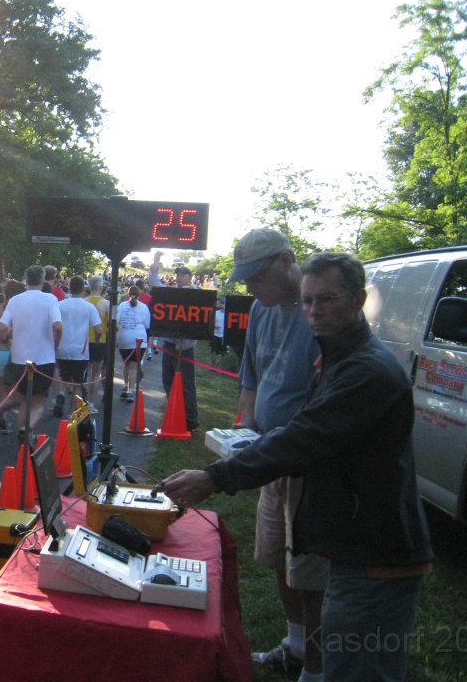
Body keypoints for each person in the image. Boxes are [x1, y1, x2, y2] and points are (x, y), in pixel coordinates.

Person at [162, 252, 433, 682]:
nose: (313, 311)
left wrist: (216, 477)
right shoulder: (339, 357)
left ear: (358, 298)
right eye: (307, 300)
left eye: (326, 299)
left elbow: (305, 437)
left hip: (377, 558)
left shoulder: (367, 370)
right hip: (352, 549)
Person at [227, 228, 327, 680]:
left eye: (258, 277)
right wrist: (242, 435)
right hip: (270, 454)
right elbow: (251, 378)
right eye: (245, 280)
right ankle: (294, 644)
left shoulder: (320, 313)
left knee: (311, 574)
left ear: (288, 261)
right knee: (278, 559)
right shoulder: (260, 309)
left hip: (311, 462)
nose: (250, 288)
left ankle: (317, 668)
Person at [0, 264, 62, 435]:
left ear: (26, 280)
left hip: (19, 357)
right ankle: (26, 430)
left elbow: (1, 327)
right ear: (42, 280)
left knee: (25, 400)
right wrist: (56, 344)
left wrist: (6, 339)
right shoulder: (50, 299)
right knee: (38, 403)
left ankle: (22, 436)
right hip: (43, 358)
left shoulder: (15, 300)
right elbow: (58, 326)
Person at [149, 252, 200, 429]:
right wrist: (155, 262)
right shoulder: (170, 293)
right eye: (177, 274)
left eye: (182, 275)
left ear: (189, 277)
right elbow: (155, 283)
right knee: (168, 380)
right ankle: (174, 411)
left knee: (186, 384)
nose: (178, 277)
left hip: (184, 347)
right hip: (169, 344)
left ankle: (190, 419)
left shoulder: (195, 295)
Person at [55, 276, 102, 411]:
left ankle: (60, 394)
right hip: (80, 351)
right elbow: (98, 329)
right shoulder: (89, 307)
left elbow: (55, 326)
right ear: (83, 289)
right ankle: (73, 414)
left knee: (64, 378)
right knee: (78, 384)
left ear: (69, 287)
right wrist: (98, 339)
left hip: (62, 347)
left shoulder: (60, 305)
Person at [115, 285, 150, 402]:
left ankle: (125, 386)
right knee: (135, 366)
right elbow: (147, 324)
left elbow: (117, 322)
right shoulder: (144, 307)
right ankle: (130, 391)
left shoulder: (122, 306)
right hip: (139, 339)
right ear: (139, 294)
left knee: (127, 364)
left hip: (124, 337)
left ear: (128, 294)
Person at [85, 275, 110, 406]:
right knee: (96, 373)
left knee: (86, 372)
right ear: (101, 286)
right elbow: (113, 324)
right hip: (100, 341)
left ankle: (82, 401)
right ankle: (90, 402)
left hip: (85, 341)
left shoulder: (84, 301)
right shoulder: (106, 304)